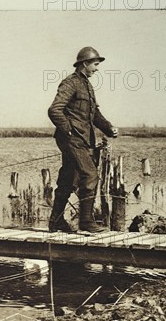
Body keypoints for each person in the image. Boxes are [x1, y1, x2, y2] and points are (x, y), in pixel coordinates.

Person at [47, 47, 118, 233]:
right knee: (90, 175)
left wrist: (109, 128)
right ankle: (86, 222)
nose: (97, 69)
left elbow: (95, 115)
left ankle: (55, 221)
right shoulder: (70, 83)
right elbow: (54, 110)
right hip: (72, 139)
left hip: (81, 140)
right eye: (95, 64)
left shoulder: (87, 85)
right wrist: (68, 130)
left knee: (69, 179)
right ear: (85, 64)